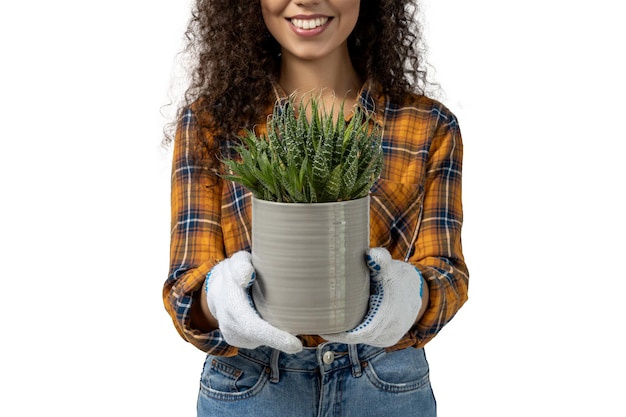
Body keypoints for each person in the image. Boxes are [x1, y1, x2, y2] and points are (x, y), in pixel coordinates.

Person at [163, 0, 469, 415]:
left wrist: (407, 296)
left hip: (383, 382)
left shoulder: (426, 125)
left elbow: (447, 271)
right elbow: (186, 286)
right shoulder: (209, 125)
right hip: (252, 386)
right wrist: (219, 299)